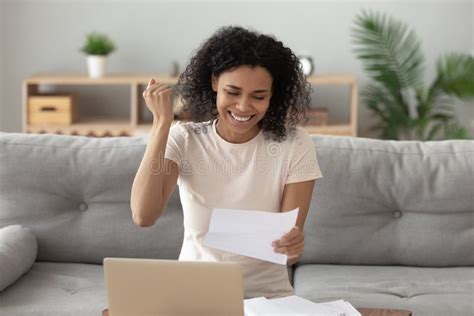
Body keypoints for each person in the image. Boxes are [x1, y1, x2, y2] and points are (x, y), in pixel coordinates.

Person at [130, 25, 323, 299]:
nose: (244, 107)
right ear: (214, 83)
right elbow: (143, 216)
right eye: (232, 92)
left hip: (267, 298)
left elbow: (288, 250)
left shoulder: (295, 144)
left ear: (273, 95)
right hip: (193, 293)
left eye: (258, 96)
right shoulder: (185, 139)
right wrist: (162, 123)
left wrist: (292, 245)